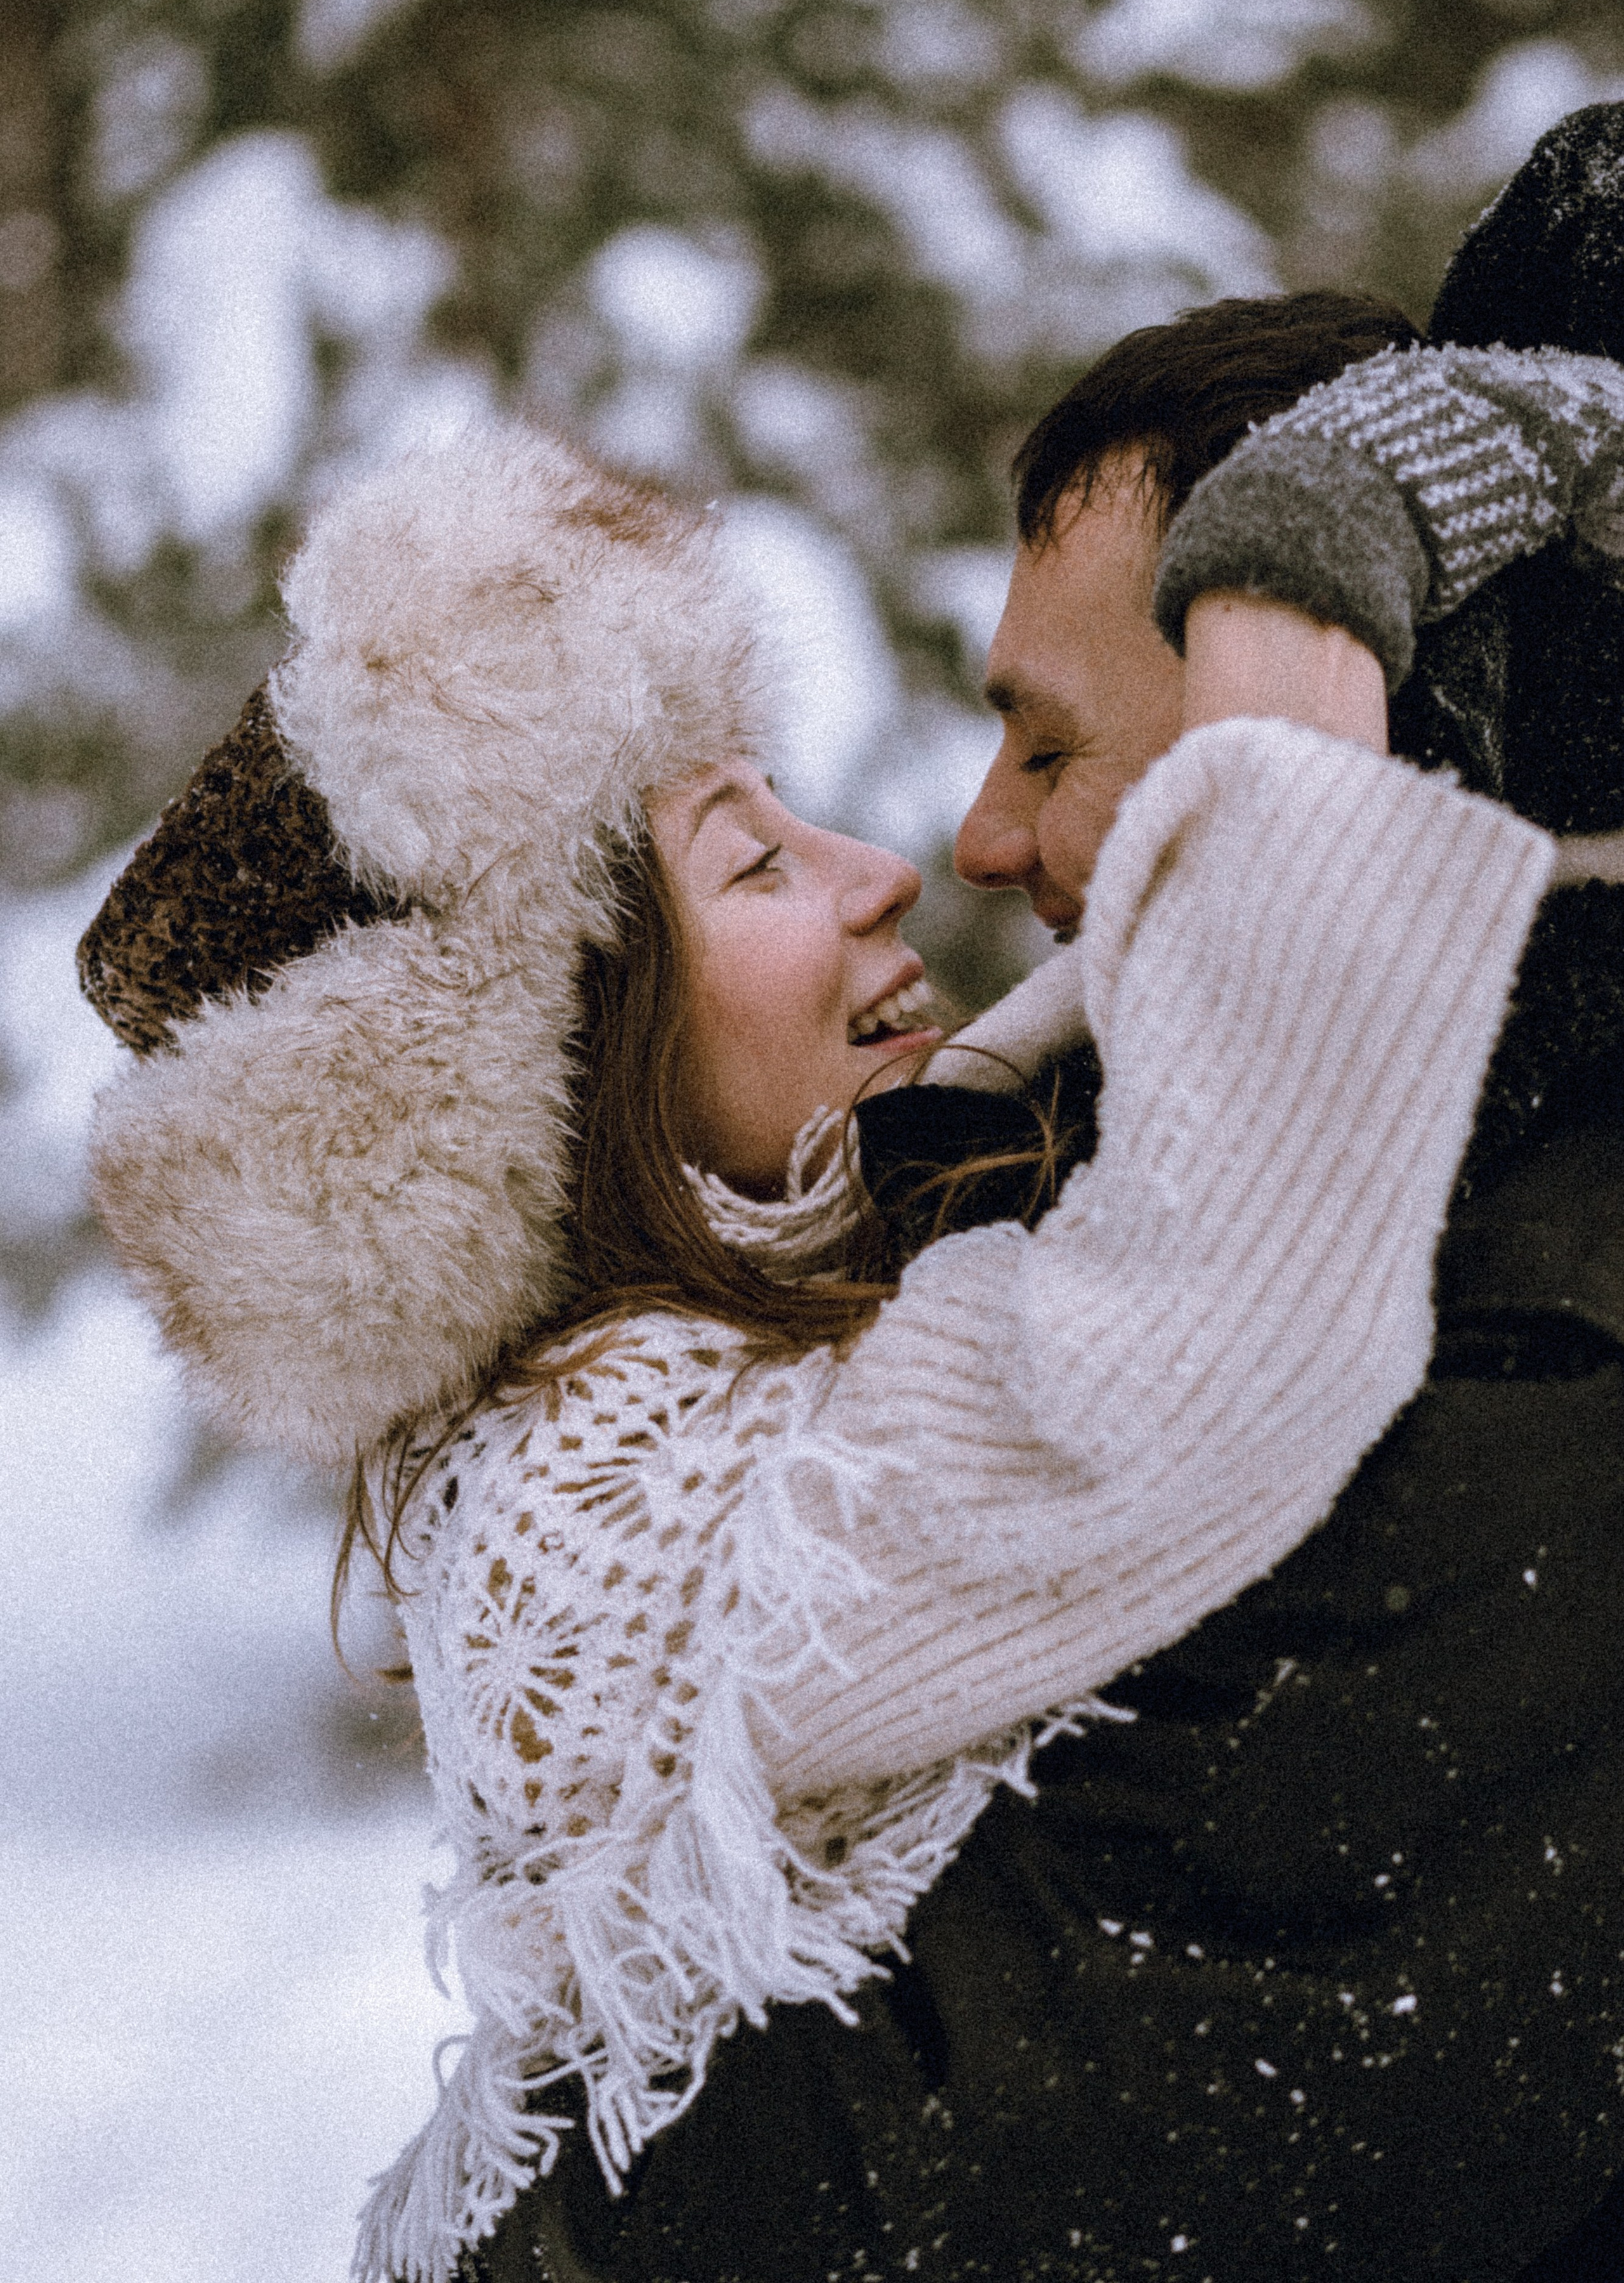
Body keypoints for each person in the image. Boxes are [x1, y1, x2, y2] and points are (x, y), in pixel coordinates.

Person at [75, 422, 1550, 2283]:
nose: (881, 872)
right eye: (756, 861)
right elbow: (1170, 1370)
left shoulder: (729, 1339)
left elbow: (1053, 1107)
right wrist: (1298, 645)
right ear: (564, 1051)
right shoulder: (581, 1516)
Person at [445, 110, 1624, 2283]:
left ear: (1338, 734)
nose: (959, 847)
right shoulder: (739, 1376)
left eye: (1056, 748)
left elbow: (1055, 2116)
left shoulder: (1541, 1340)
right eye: (759, 857)